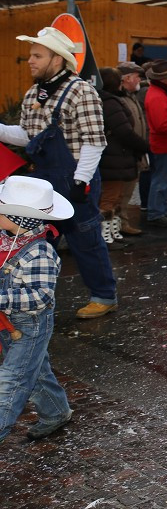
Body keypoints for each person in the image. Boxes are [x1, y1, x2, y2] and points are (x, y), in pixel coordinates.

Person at [0, 27, 117, 319]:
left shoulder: (81, 90)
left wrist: (81, 180)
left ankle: (104, 296)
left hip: (74, 179)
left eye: (37, 55)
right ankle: (36, 298)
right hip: (42, 180)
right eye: (31, 55)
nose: (30, 60)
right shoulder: (33, 93)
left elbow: (94, 140)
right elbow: (28, 136)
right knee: (35, 241)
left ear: (57, 59)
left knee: (86, 241)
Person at [0, 176, 74, 441]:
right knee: (36, 369)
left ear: (16, 218)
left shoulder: (40, 253)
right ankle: (56, 412)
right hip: (8, 324)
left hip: (30, 325)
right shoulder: (6, 237)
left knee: (12, 381)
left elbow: (40, 296)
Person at [98, 65, 150, 243]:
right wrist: (143, 146)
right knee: (109, 198)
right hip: (114, 157)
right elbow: (124, 132)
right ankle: (105, 236)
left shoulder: (110, 100)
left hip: (116, 156)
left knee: (115, 197)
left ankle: (113, 230)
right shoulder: (110, 103)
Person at [144, 60, 167, 228]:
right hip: (164, 144)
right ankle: (156, 212)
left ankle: (161, 210)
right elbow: (162, 125)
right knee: (161, 179)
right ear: (164, 78)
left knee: (163, 179)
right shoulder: (157, 96)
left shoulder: (162, 92)